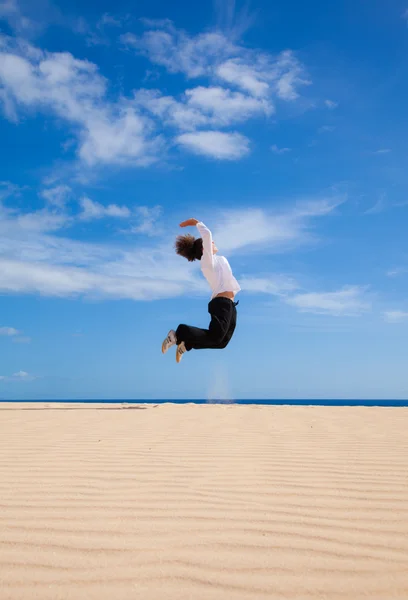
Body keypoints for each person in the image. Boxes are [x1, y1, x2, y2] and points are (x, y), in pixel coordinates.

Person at [162, 218, 241, 363]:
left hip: (230, 305)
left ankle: (186, 345)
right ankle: (178, 334)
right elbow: (208, 234)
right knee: (216, 336)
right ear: (205, 249)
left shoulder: (220, 259)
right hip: (221, 303)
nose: (214, 243)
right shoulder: (207, 262)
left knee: (221, 343)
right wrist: (196, 223)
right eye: (211, 244)